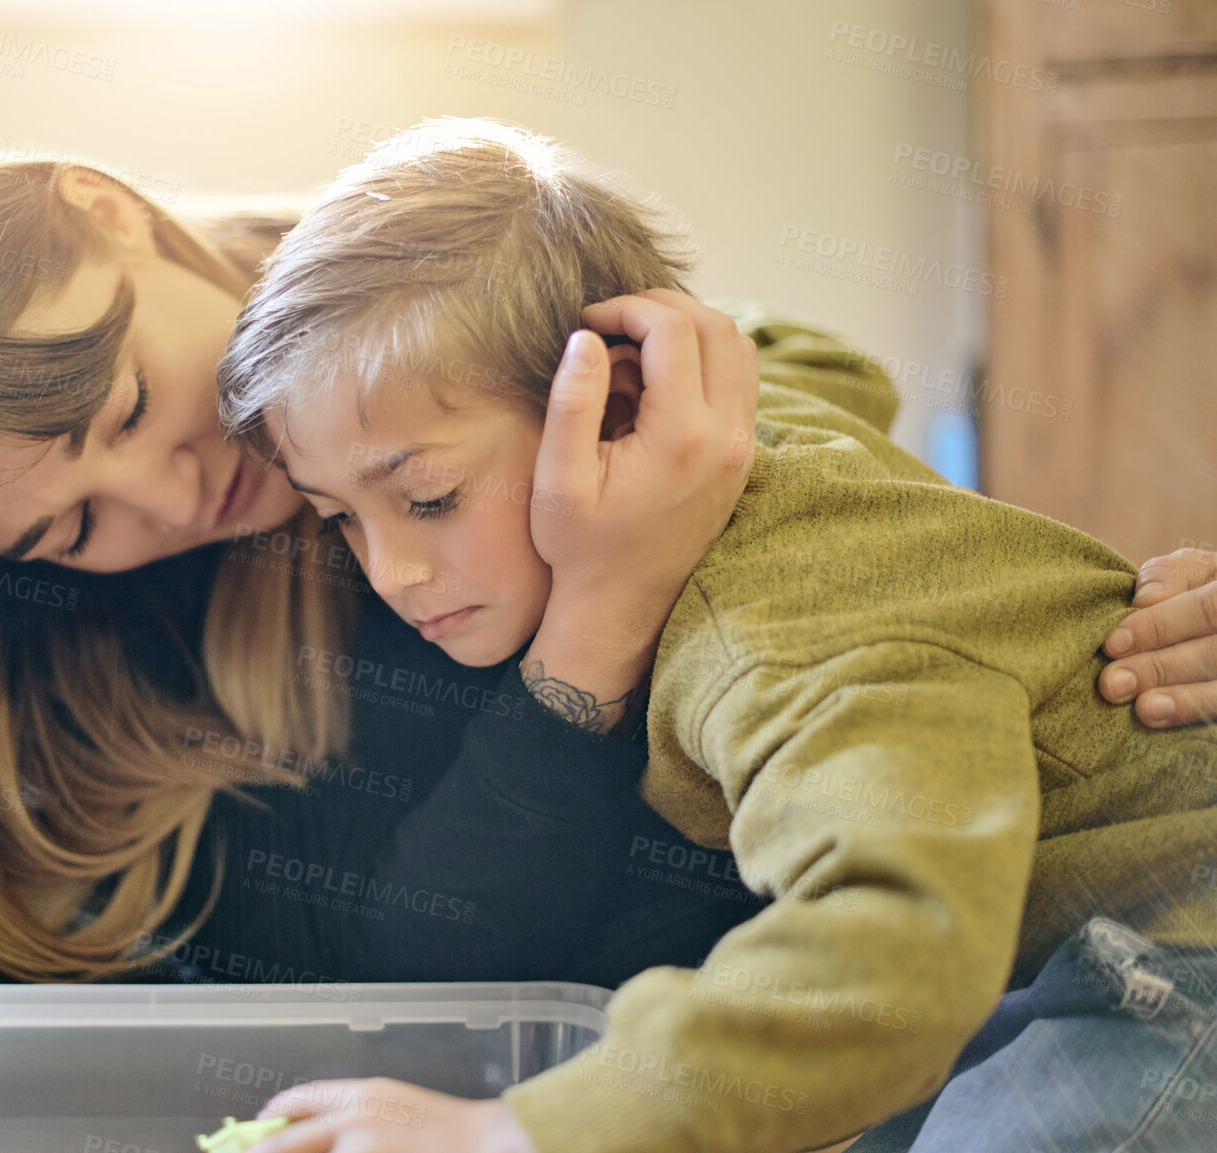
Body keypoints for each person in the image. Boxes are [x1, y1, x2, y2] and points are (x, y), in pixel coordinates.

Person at [0, 136, 1217, 1001]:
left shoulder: (391, 285)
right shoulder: (103, 637)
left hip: (737, 897)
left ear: (103, 208)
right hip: (386, 907)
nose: (178, 488)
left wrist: (1037, 612)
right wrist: (585, 631)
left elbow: (787, 381)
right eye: (70, 523)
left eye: (121, 402)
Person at [209, 119, 1217, 1153]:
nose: (390, 572)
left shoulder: (772, 615)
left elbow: (889, 955)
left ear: (614, 405)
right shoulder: (743, 420)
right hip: (1060, 968)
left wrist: (511, 1133)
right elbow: (823, 359)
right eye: (337, 515)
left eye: (426, 496)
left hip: (1172, 972)